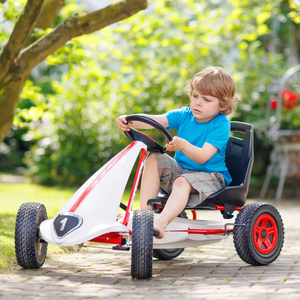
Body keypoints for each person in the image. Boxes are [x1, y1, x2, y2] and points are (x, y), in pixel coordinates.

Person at [116, 66, 239, 239]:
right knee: (154, 157)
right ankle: (145, 216)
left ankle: (161, 222)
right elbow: (155, 120)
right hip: (184, 173)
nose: (198, 102)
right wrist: (129, 119)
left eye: (206, 99)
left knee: (182, 181)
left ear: (222, 104)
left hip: (212, 177)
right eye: (195, 96)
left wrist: (183, 145)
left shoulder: (220, 124)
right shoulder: (184, 115)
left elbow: (203, 156)